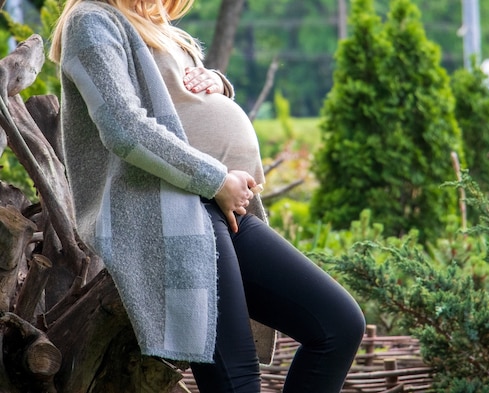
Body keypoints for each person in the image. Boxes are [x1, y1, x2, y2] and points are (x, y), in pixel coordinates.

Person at [48, 0, 366, 391]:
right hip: (169, 214)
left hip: (215, 208)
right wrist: (216, 180)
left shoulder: (153, 23)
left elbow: (179, 100)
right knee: (238, 380)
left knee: (339, 324)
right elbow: (124, 127)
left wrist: (216, 82)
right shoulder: (91, 20)